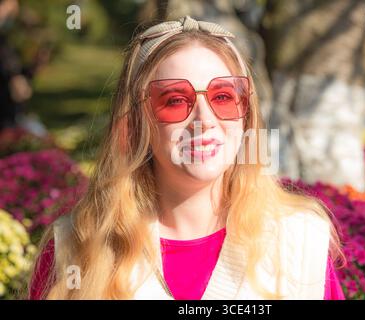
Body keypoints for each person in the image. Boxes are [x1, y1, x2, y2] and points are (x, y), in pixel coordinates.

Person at [28, 16, 345, 300]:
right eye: (175, 100)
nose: (204, 119)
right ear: (138, 121)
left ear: (247, 115)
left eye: (223, 97)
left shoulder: (301, 241)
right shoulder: (77, 248)